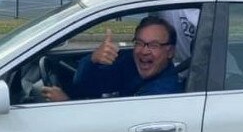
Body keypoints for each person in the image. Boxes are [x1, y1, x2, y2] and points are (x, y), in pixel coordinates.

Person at [42, 16, 182, 102]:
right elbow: (86, 85)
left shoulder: (162, 92)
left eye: (153, 45)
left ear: (170, 52)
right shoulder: (130, 65)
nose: (144, 51)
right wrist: (93, 59)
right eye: (139, 43)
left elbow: (115, 125)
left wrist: (66, 105)